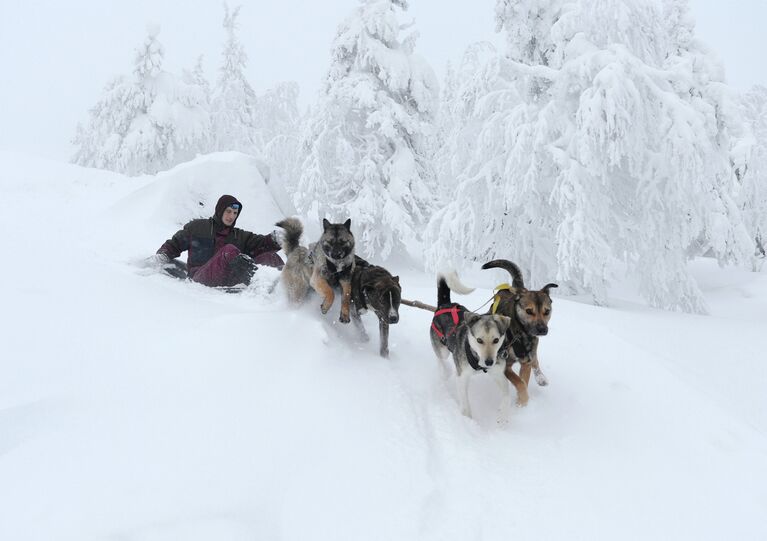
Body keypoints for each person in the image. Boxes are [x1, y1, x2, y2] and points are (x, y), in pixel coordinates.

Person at [152, 194, 283, 287]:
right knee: (229, 250)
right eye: (228, 211)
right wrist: (162, 254)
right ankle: (257, 281)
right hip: (200, 278)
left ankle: (286, 284)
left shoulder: (238, 235)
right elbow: (174, 244)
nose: (231, 216)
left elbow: (260, 244)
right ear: (220, 210)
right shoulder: (198, 227)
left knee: (270, 256)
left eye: (235, 213)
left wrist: (275, 240)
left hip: (229, 280)